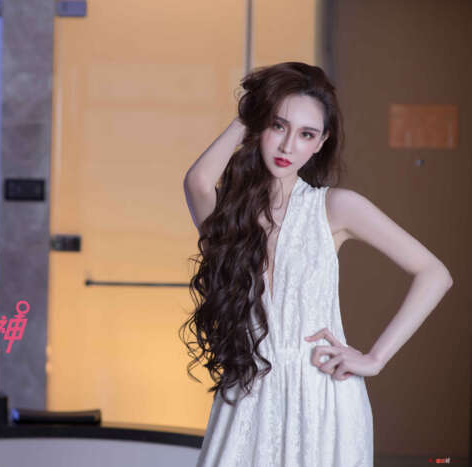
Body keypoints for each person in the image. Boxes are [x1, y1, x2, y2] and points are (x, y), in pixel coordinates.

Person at [180, 61, 453, 466]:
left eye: (306, 134)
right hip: (248, 392)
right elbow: (198, 181)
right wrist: (250, 112)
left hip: (323, 397)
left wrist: (375, 358)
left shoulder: (335, 207)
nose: (288, 146)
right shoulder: (231, 216)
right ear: (260, 126)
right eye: (278, 126)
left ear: (321, 142)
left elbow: (435, 274)